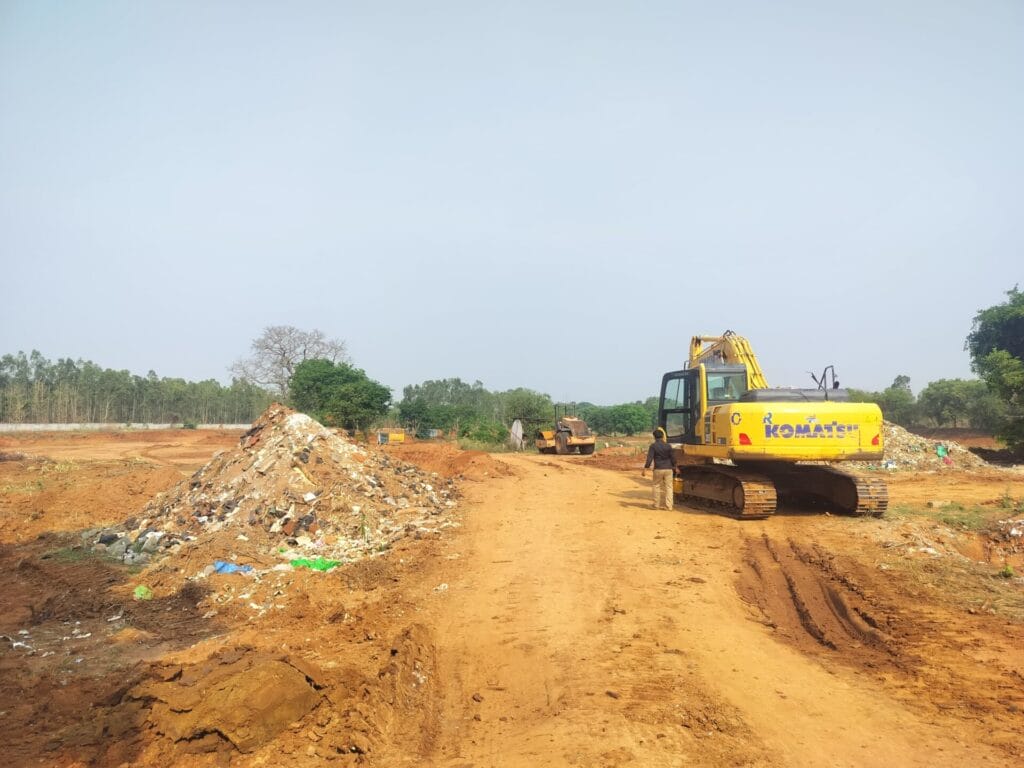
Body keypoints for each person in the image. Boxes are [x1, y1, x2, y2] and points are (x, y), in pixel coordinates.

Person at [642, 427, 677, 510]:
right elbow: (673, 458)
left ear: (654, 437)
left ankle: (656, 505)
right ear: (662, 436)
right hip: (668, 469)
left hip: (658, 469)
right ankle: (669, 506)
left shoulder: (653, 446)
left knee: (656, 486)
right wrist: (675, 467)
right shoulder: (668, 446)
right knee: (669, 487)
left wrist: (645, 469)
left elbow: (649, 458)